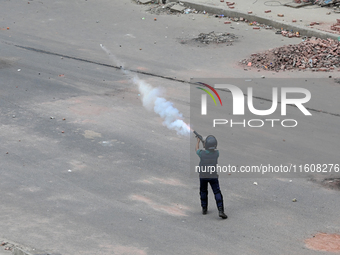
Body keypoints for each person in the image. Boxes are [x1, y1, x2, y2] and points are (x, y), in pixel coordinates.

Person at [195, 135, 227, 219]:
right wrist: (205, 143)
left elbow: (197, 150)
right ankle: (220, 210)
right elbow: (209, 149)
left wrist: (198, 141)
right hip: (213, 175)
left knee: (203, 191)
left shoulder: (202, 153)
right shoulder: (217, 153)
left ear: (205, 146)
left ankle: (204, 208)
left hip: (203, 176)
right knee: (217, 192)